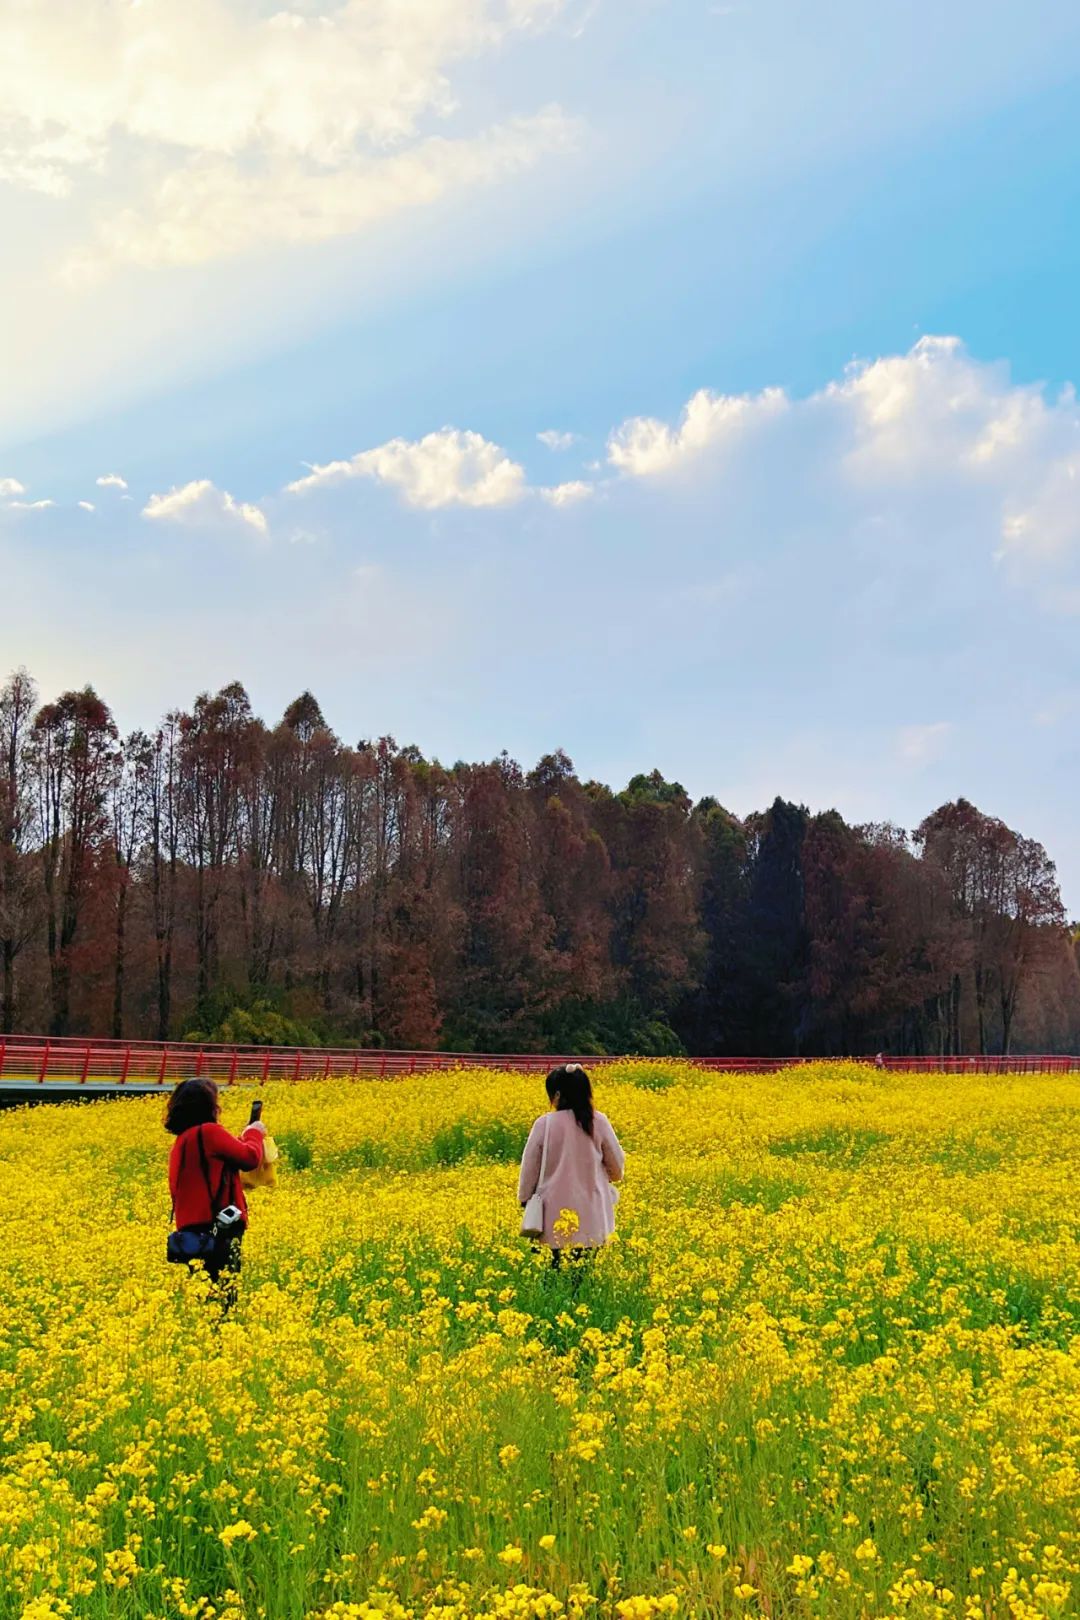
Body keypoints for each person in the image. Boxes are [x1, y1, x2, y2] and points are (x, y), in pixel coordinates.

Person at [165, 1078, 266, 1308]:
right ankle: (223, 1340)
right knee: (224, 1296)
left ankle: (211, 1337)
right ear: (208, 1106)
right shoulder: (209, 1133)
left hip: (191, 1233)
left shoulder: (183, 1140)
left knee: (206, 1298)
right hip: (219, 1229)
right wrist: (254, 1132)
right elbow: (250, 1157)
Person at [517, 1063, 625, 1262]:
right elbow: (617, 1171)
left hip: (551, 1220)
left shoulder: (544, 1124)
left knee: (552, 1281)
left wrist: (524, 1199)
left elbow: (529, 1170)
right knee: (586, 1280)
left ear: (557, 1094)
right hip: (593, 1220)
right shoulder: (599, 1122)